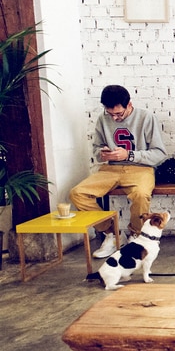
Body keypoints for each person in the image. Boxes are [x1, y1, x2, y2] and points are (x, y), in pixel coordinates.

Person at [70, 85, 167, 258]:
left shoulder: (146, 117)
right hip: (111, 168)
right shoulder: (102, 119)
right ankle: (112, 234)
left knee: (141, 194)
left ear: (129, 105)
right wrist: (102, 153)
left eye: (119, 114)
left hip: (141, 169)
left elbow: (159, 154)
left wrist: (129, 155)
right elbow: (96, 150)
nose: (114, 118)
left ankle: (136, 236)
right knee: (78, 193)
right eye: (110, 114)